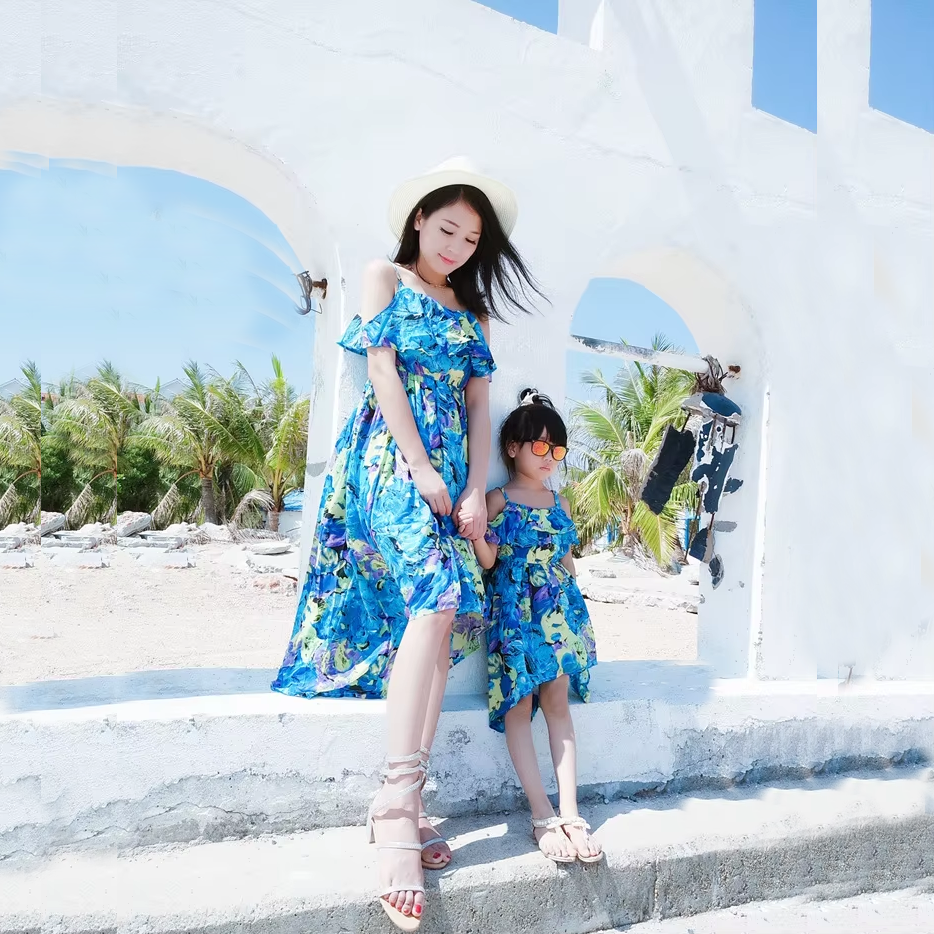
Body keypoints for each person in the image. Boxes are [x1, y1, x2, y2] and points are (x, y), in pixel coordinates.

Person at [271, 157, 542, 930]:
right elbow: (382, 370)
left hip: (451, 474)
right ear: (420, 219)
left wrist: (467, 488)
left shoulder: (474, 312)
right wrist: (420, 465)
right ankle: (397, 806)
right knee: (435, 595)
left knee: (452, 608)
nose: (457, 246)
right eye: (447, 228)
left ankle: (406, 797)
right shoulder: (384, 276)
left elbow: (480, 407)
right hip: (390, 457)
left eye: (472, 237)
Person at [471, 390, 602, 865]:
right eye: (540, 447)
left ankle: (570, 810)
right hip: (512, 612)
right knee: (519, 703)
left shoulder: (560, 501)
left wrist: (576, 616)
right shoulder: (498, 499)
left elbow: (568, 563)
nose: (550, 458)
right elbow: (488, 560)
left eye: (558, 450)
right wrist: (477, 531)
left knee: (557, 704)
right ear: (512, 447)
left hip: (557, 614)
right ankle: (541, 812)